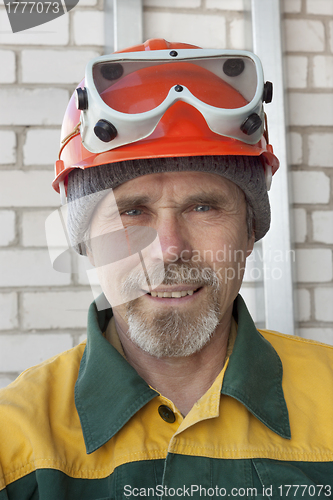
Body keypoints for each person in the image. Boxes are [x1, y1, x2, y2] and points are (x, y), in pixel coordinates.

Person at [1, 39, 333, 500]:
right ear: (87, 244)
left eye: (202, 207)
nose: (170, 248)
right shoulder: (13, 440)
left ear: (250, 228)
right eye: (132, 212)